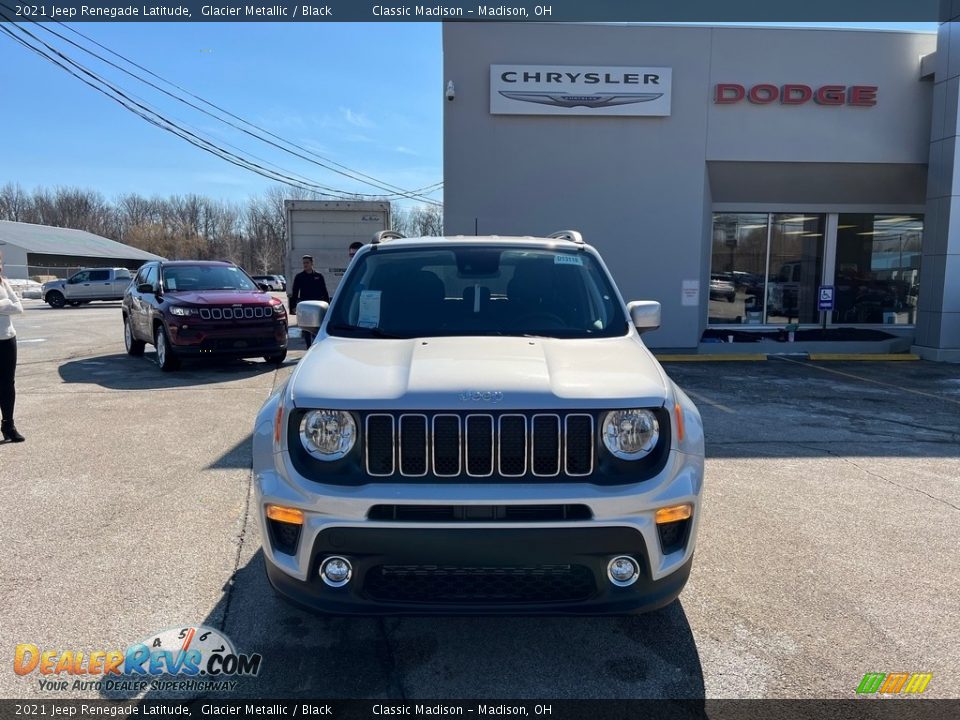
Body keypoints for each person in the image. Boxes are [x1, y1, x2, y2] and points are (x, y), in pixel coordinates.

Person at [0, 253, 25, 443]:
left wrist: (6, 304)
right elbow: (11, 305)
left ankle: (8, 425)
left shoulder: (3, 283)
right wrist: (6, 304)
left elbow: (18, 307)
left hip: (8, 338)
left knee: (8, 385)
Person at [288, 255, 329, 348]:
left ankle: (317, 347)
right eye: (304, 263)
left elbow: (324, 291)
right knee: (306, 330)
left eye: (307, 262)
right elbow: (294, 293)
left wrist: (327, 305)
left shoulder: (319, 276)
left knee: (318, 329)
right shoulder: (299, 277)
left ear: (312, 263)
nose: (305, 265)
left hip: (317, 307)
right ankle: (308, 347)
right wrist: (293, 307)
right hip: (305, 307)